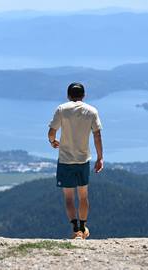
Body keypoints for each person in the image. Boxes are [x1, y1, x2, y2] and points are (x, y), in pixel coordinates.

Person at [47, 82, 103, 240]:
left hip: (65, 160)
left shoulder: (62, 109)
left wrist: (53, 142)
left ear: (68, 95)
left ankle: (75, 229)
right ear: (84, 95)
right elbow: (97, 135)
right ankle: (84, 227)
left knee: (69, 198)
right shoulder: (92, 111)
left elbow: (52, 132)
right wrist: (100, 157)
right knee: (83, 196)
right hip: (83, 160)